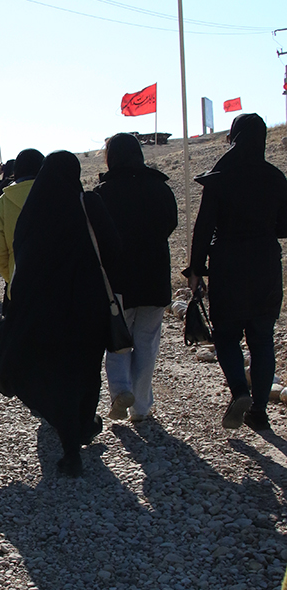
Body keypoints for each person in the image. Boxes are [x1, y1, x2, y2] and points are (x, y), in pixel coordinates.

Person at [0, 151, 120, 477]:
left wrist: (19, 307)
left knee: (59, 375)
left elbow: (21, 263)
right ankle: (83, 426)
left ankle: (70, 449)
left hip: (46, 310)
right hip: (89, 306)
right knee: (88, 370)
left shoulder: (32, 213)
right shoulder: (87, 204)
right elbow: (112, 249)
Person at [185, 113, 287, 431]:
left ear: (233, 138)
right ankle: (259, 410)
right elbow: (284, 227)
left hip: (228, 263)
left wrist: (196, 270)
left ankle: (240, 392)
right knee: (262, 338)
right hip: (266, 263)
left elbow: (203, 228)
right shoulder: (275, 178)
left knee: (227, 336)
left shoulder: (220, 176)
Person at [94, 133, 177, 422]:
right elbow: (171, 223)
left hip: (118, 282)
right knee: (147, 344)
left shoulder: (103, 193)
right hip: (155, 278)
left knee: (118, 340)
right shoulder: (159, 186)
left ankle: (120, 391)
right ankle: (141, 407)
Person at [0, 149, 44, 311]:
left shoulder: (3, 203)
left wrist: (11, 277)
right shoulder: (57, 196)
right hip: (58, 287)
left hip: (19, 285)